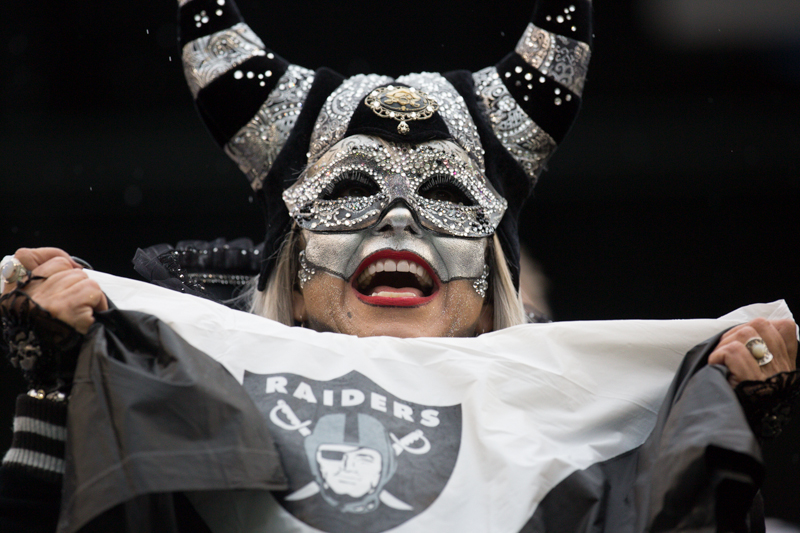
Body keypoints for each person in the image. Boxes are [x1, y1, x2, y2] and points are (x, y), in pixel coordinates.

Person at [1, 0, 797, 531]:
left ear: (496, 278)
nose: (398, 220)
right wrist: (52, 391)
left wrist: (719, 441)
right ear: (290, 260)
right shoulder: (182, 404)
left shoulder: (586, 438)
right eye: (349, 189)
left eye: (447, 198)